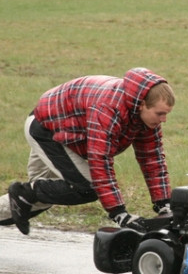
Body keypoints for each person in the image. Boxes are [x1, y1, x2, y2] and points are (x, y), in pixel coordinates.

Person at [0, 67, 175, 235]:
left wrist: (163, 205)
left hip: (65, 133)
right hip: (47, 129)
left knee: (40, 198)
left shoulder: (144, 116)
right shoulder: (109, 109)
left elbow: (152, 160)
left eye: (166, 114)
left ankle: (25, 194)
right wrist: (119, 214)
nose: (164, 120)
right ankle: (24, 192)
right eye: (160, 113)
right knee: (87, 187)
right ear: (142, 104)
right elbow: (101, 161)